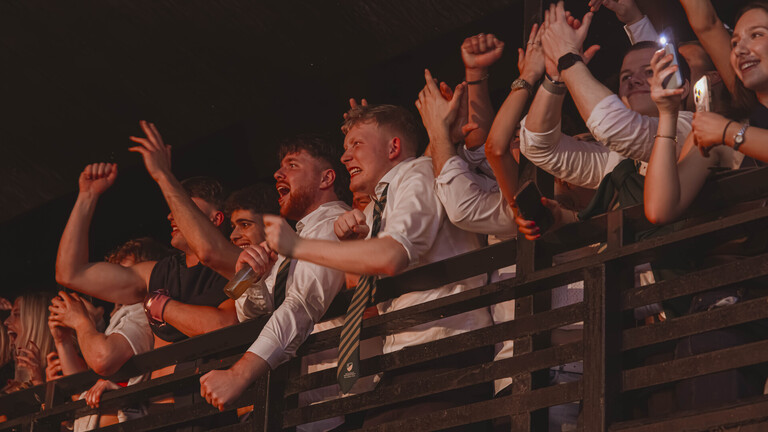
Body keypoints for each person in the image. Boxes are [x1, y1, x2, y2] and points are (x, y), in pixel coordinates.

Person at [262, 102, 493, 429]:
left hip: (446, 349)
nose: (345, 157)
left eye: (356, 144)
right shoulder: (376, 208)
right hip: (405, 356)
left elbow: (392, 256)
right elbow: (362, 287)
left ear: (393, 147)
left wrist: (297, 247)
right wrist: (352, 247)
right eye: (346, 148)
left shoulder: (419, 172)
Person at [199, 135, 351, 430]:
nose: (278, 174)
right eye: (280, 167)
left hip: (329, 407)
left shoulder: (333, 224)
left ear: (326, 178)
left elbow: (301, 305)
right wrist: (253, 278)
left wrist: (239, 374)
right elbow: (253, 316)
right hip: (296, 407)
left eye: (292, 165)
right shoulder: (294, 241)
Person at [47, 238, 170, 430]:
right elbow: (82, 391)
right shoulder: (121, 317)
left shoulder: (142, 310)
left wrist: (81, 322)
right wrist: (63, 342)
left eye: (125, 272)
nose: (114, 279)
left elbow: (103, 359)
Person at [2, 292, 55, 393]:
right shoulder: (7, 375)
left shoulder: (59, 370)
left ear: (37, 323)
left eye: (17, 314)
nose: (6, 321)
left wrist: (38, 382)